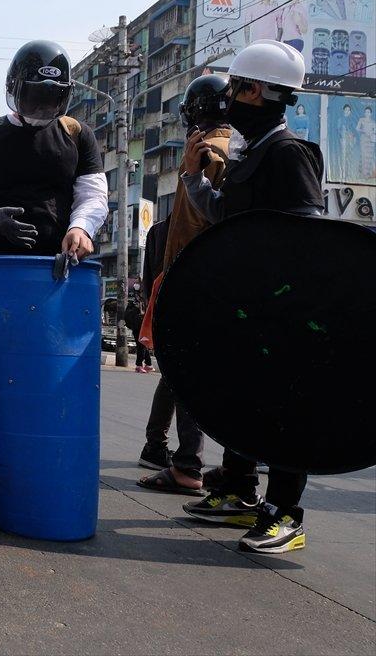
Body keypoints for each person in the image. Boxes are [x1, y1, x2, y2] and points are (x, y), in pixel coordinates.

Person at [0, 39, 109, 518]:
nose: (40, 106)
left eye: (49, 98)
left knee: (49, 378)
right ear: (16, 90)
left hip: (57, 274)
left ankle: (39, 470)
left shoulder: (79, 136)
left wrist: (80, 228)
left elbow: (93, 195)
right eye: (33, 95)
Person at [179, 39, 322, 554]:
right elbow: (226, 218)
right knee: (246, 399)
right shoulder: (250, 153)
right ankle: (239, 489)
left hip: (283, 308)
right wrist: (195, 181)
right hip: (248, 302)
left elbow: (303, 237)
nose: (232, 98)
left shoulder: (288, 154)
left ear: (260, 91)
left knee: (285, 410)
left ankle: (287, 513)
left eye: (238, 88)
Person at [136, 74, 233, 493]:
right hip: (193, 271)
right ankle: (188, 460)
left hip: (195, 274)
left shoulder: (211, 151)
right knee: (181, 370)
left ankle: (188, 464)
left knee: (185, 370)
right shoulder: (224, 146)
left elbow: (211, 212)